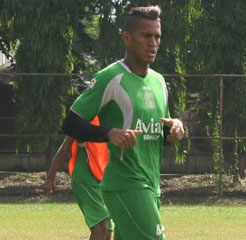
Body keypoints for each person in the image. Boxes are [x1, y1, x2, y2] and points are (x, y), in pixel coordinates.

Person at [62, 6, 184, 239]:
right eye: (145, 35)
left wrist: (175, 130)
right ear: (127, 38)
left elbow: (155, 136)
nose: (153, 43)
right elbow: (70, 124)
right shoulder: (110, 77)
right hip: (126, 185)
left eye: (157, 36)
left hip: (151, 186)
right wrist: (108, 133)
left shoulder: (159, 82)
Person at [43, 117, 113, 240]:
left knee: (107, 233)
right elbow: (64, 148)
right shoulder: (83, 114)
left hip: (102, 178)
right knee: (100, 229)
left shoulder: (109, 112)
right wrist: (50, 177)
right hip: (85, 179)